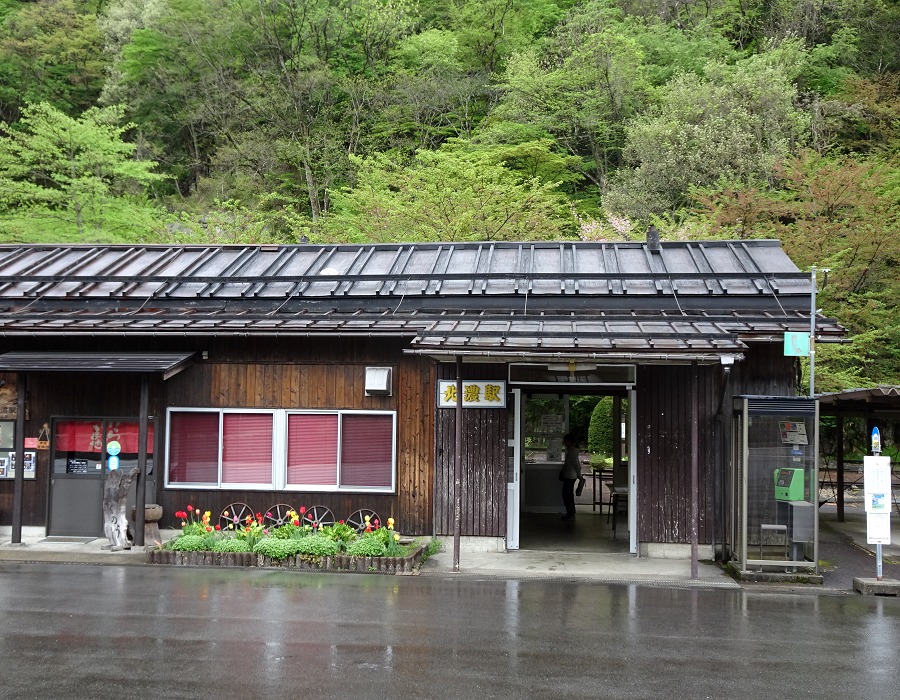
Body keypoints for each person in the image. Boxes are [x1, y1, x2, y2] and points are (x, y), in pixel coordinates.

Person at [560, 433, 582, 521]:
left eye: (565, 441)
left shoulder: (572, 452)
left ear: (569, 442)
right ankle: (571, 512)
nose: (564, 442)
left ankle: (570, 513)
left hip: (570, 476)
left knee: (566, 495)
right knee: (568, 494)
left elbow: (576, 465)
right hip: (571, 475)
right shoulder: (573, 451)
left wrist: (579, 475)